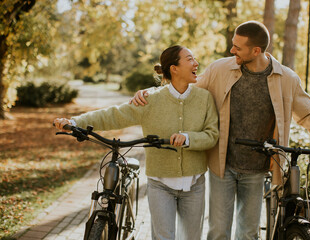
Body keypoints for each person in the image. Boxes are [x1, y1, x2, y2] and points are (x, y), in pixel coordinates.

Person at [129, 21, 310, 240]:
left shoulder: (286, 79)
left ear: (256, 51)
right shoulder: (220, 69)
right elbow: (186, 91)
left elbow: (309, 113)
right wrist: (150, 94)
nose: (231, 50)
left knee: (248, 234)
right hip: (222, 165)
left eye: (238, 47)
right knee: (218, 232)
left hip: (257, 168)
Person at [53, 45, 219, 240]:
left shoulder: (204, 98)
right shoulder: (150, 99)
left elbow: (212, 134)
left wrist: (189, 138)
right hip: (160, 184)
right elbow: (113, 115)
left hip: (194, 183)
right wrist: (74, 122)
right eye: (190, 59)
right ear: (174, 68)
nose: (196, 63)